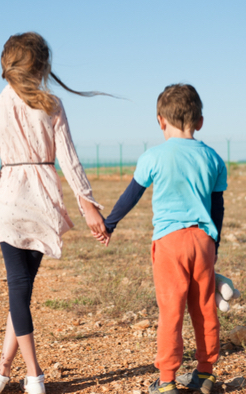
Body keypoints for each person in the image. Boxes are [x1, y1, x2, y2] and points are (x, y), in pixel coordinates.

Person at [0, 32, 109, 394]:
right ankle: (11, 370)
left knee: (19, 291)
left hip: (7, 200)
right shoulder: (51, 104)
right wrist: (87, 204)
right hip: (42, 201)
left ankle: (28, 374)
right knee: (21, 290)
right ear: (42, 67)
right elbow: (69, 159)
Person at [95, 84, 226, 394]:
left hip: (169, 242)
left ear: (160, 120)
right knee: (204, 307)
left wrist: (109, 224)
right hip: (203, 240)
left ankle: (166, 381)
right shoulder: (213, 158)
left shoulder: (153, 156)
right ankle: (206, 374)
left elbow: (132, 195)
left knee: (171, 309)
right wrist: (214, 245)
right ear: (200, 121)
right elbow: (218, 206)